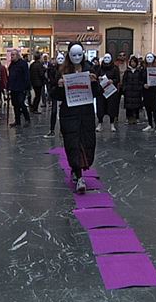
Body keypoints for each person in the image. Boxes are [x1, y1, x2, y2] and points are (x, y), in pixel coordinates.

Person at [50, 42, 102, 193]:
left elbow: (98, 92)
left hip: (86, 114)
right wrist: (59, 86)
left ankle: (78, 168)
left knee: (86, 142)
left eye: (80, 55)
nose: (77, 58)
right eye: (74, 55)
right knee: (72, 143)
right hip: (69, 114)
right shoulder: (62, 71)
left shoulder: (89, 69)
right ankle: (79, 176)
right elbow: (54, 94)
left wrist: (94, 83)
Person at [95, 53, 121, 132]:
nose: (106, 59)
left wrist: (112, 81)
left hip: (111, 91)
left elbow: (118, 79)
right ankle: (100, 123)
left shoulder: (115, 68)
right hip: (101, 92)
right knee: (100, 107)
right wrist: (98, 78)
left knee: (112, 107)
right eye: (105, 58)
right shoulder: (100, 68)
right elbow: (96, 77)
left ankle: (112, 124)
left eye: (108, 58)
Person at [8, 49, 31, 128]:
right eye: (11, 55)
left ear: (17, 55)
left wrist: (26, 87)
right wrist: (8, 86)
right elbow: (10, 76)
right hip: (14, 88)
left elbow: (26, 76)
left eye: (13, 55)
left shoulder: (23, 64)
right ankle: (17, 121)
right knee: (15, 105)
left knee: (21, 103)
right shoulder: (12, 65)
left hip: (21, 88)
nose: (12, 56)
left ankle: (27, 119)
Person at [142, 53, 156, 133]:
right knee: (147, 108)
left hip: (154, 90)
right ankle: (150, 124)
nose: (149, 59)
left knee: (155, 108)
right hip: (146, 90)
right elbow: (140, 79)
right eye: (148, 57)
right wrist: (143, 85)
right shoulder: (143, 69)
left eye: (151, 57)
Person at [44, 53, 64, 138]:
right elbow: (51, 81)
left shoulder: (66, 70)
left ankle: (62, 130)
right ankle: (52, 130)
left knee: (62, 112)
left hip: (63, 93)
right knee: (54, 111)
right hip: (56, 92)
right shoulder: (52, 69)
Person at [122, 56, 144, 125]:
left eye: (134, 62)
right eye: (132, 62)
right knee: (128, 105)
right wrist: (125, 88)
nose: (133, 63)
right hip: (128, 90)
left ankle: (136, 117)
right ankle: (128, 118)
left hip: (136, 90)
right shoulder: (127, 71)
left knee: (136, 104)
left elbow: (141, 80)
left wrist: (140, 87)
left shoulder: (139, 71)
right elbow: (124, 80)